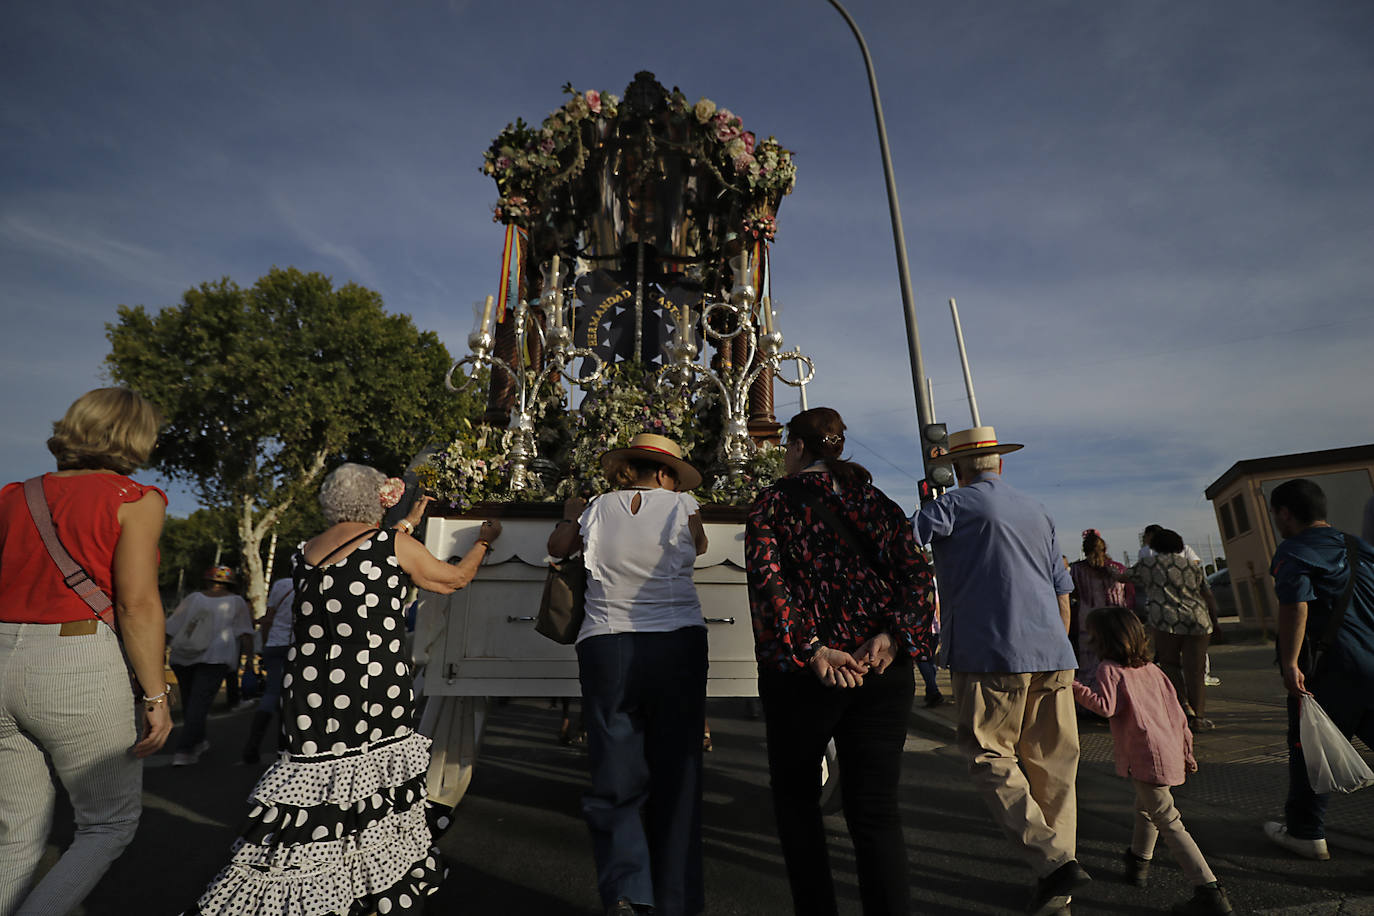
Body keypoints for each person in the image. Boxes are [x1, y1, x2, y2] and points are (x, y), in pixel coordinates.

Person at [184, 463, 502, 914]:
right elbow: (452, 580)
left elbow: (363, 556)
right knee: (369, 785)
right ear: (379, 500)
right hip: (370, 683)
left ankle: (304, 883)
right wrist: (484, 541)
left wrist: (407, 520)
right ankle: (364, 882)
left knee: (321, 786)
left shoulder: (303, 551)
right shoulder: (390, 544)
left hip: (310, 686)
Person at [747, 407, 936, 916]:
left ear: (799, 447)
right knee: (875, 814)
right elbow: (918, 579)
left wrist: (811, 648)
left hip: (808, 677)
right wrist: (891, 638)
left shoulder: (772, 504)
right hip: (880, 671)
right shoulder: (878, 502)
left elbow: (770, 585)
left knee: (798, 807)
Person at [0, 387, 173, 915]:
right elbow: (137, 604)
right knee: (108, 824)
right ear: (136, 435)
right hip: (73, 660)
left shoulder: (12, 495)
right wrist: (155, 695)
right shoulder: (134, 499)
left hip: (2, 656)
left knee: (15, 836)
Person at [912, 425, 1088, 916]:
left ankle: (1053, 861)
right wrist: (1059, 644)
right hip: (1052, 651)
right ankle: (1059, 889)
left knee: (988, 755)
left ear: (958, 469)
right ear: (1000, 465)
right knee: (1054, 768)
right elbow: (1062, 590)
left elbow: (903, 545)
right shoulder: (1039, 510)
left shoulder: (952, 507)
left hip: (991, 652)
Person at [547, 433, 709, 916]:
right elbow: (698, 547)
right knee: (677, 772)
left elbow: (558, 549)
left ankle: (628, 889)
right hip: (676, 640)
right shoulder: (684, 504)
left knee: (615, 774)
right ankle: (677, 898)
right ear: (664, 473)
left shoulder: (596, 507)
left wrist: (571, 514)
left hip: (606, 643)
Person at [1072, 607, 1232, 915]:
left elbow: (1105, 707)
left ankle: (1208, 890)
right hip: (1168, 749)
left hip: (1146, 755)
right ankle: (1138, 860)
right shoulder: (1153, 669)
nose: (1089, 641)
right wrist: (1187, 751)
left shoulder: (1109, 669)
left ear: (1104, 639)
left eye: (1092, 636)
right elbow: (1177, 713)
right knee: (1147, 809)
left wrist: (1072, 685)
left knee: (1168, 820)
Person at [1263, 478, 1374, 860]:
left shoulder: (1294, 551)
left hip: (1330, 671)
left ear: (1285, 513)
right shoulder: (1359, 548)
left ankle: (1306, 832)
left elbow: (1296, 604)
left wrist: (1291, 664)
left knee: (1310, 749)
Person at [1124, 529, 1219, 731]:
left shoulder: (1148, 564)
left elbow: (1124, 577)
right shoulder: (1191, 566)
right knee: (1196, 671)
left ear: (1155, 546)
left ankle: (1184, 706)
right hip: (1198, 619)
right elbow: (1207, 594)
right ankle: (1199, 718)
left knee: (1170, 665)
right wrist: (1215, 621)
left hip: (1166, 621)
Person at [165, 565, 254, 765]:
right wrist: (248, 659)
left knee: (190, 702)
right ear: (230, 584)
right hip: (216, 657)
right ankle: (185, 750)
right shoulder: (236, 601)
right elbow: (245, 632)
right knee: (199, 702)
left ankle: (198, 740)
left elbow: (171, 626)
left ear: (207, 580)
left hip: (183, 656)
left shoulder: (193, 598)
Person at [1068, 529, 1132, 690]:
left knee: (1089, 657)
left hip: (1088, 617)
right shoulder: (1117, 568)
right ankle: (1117, 692)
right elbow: (1128, 590)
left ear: (1085, 549)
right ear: (1104, 549)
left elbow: (1072, 591)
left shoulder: (1076, 569)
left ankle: (1092, 695)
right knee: (1116, 654)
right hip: (1115, 617)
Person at [241, 575, 294, 764]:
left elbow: (269, 619)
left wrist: (265, 645)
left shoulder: (282, 584)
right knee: (291, 698)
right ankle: (285, 746)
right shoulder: (315, 581)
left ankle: (252, 745)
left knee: (272, 694)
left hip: (274, 644)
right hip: (297, 646)